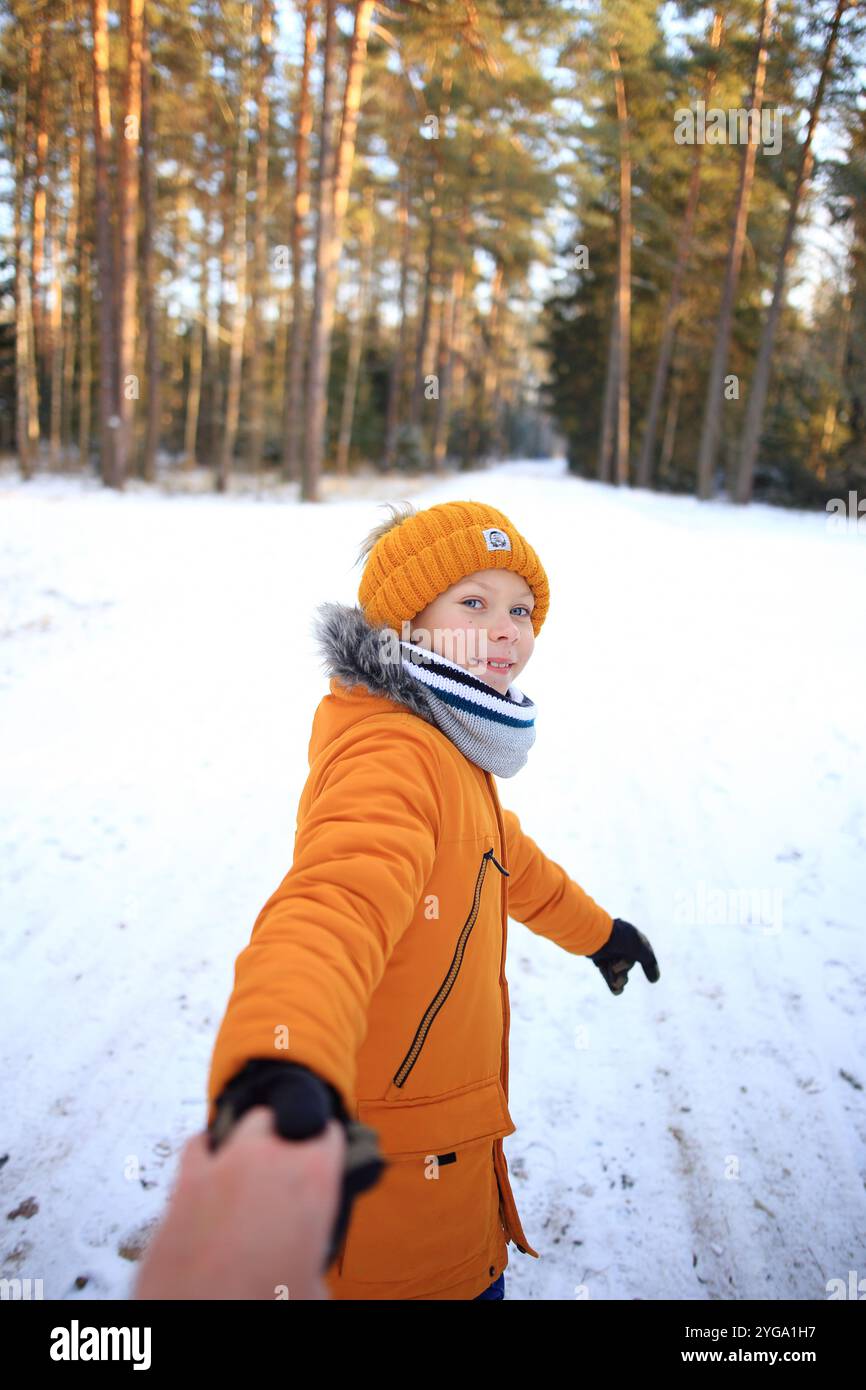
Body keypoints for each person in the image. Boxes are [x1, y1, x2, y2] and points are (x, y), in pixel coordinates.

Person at [197, 499, 660, 1301]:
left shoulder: (449, 742)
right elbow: (331, 907)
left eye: (521, 609)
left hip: (446, 1174)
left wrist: (600, 935)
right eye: (472, 603)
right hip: (394, 1207)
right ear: (409, 623)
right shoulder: (394, 753)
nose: (507, 629)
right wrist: (278, 1068)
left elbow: (509, 862)